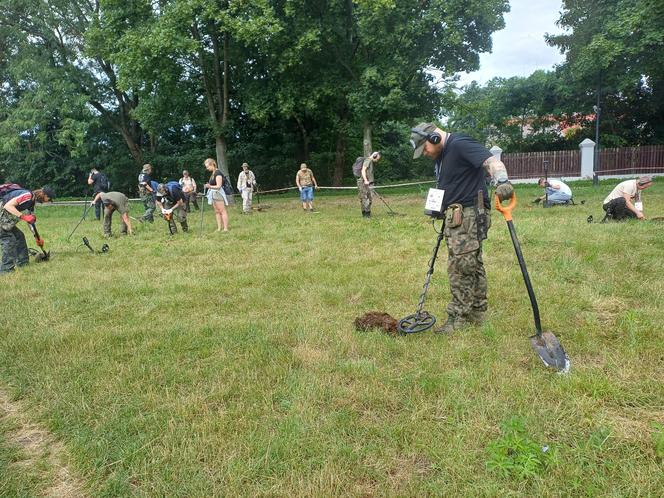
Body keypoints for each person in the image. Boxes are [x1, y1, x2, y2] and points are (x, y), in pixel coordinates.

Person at [409, 122, 513, 334]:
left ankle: (458, 318)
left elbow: (491, 161)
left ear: (434, 138)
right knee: (472, 264)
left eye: (425, 148)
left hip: (467, 215)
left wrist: (502, 180)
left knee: (460, 267)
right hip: (458, 215)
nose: (426, 154)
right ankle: (476, 311)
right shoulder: (443, 155)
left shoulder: (460, 144)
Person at [0, 185, 55, 274]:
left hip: (5, 220)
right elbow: (7, 206)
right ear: (44, 195)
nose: (47, 202)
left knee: (19, 236)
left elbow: (31, 222)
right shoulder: (27, 196)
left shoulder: (31, 203)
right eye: (49, 199)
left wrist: (37, 238)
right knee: (9, 240)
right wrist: (23, 216)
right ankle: (6, 269)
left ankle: (23, 263)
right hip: (2, 218)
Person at [203, 158, 229, 232]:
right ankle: (219, 228)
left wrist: (209, 186)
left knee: (222, 211)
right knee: (217, 211)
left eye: (208, 166)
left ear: (212, 164)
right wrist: (209, 185)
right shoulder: (213, 173)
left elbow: (218, 186)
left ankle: (225, 228)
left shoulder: (218, 173)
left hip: (218, 193)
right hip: (213, 194)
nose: (207, 168)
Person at [357, 152, 381, 218]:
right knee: (365, 198)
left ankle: (366, 214)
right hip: (362, 182)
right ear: (374, 156)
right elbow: (363, 170)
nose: (377, 161)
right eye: (377, 159)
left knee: (367, 198)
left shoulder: (368, 161)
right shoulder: (368, 160)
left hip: (364, 181)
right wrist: (365, 180)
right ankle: (366, 214)